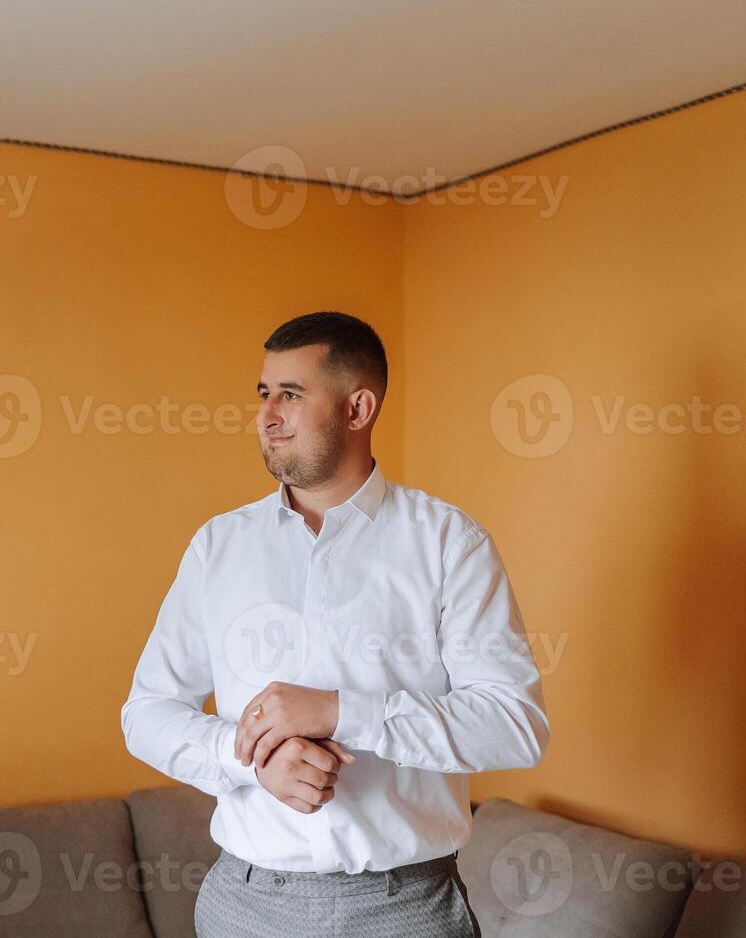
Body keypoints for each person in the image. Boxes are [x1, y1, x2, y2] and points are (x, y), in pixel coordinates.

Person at [120, 311, 549, 937]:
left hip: (402, 910)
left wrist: (342, 712)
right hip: (244, 905)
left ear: (358, 408)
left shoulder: (450, 544)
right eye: (264, 395)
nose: (267, 416)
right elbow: (146, 710)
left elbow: (516, 726)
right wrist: (249, 759)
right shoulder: (218, 547)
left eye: (290, 396)